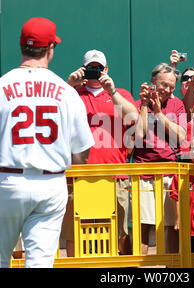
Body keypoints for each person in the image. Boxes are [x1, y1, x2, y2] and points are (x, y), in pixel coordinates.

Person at [0, 17, 94, 268]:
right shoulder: (67, 92)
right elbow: (82, 154)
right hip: (50, 183)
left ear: (20, 46)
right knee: (39, 263)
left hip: (8, 181)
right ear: (50, 49)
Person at [63, 49, 138, 256]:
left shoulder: (120, 93)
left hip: (114, 176)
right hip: (78, 176)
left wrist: (112, 92)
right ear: (83, 69)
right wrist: (69, 83)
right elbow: (52, 109)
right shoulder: (72, 93)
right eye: (91, 68)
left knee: (120, 232)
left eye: (99, 68)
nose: (95, 72)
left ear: (106, 70)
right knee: (75, 233)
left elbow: (135, 118)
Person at [134, 63, 187, 254]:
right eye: (164, 85)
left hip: (170, 174)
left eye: (172, 87)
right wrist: (145, 106)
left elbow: (181, 135)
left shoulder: (177, 104)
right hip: (144, 173)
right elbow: (138, 136)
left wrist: (158, 113)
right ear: (153, 82)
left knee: (171, 226)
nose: (168, 90)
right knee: (143, 226)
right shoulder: (139, 103)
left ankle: (170, 269)